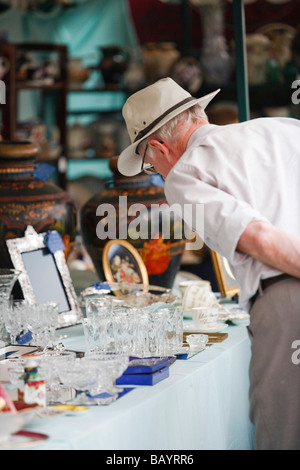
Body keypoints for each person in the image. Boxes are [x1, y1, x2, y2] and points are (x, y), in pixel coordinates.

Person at [117, 77, 300, 450]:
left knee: (281, 434)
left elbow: (259, 239)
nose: (158, 172)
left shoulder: (184, 174)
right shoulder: (282, 129)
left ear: (159, 147)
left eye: (151, 165)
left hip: (288, 301)